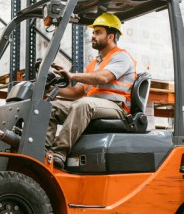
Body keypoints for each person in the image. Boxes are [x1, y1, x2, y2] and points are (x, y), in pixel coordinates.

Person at [46, 13, 136, 169]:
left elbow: (103, 78)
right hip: (93, 105)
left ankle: (59, 153)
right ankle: (42, 151)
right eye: (93, 32)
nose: (93, 36)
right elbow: (76, 92)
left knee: (83, 105)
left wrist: (72, 74)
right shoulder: (94, 63)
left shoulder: (121, 57)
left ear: (111, 36)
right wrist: (51, 89)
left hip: (115, 107)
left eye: (98, 32)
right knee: (49, 108)